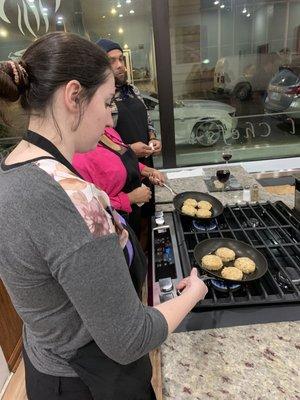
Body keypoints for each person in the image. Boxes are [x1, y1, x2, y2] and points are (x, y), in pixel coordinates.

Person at [0, 32, 208, 400]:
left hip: (45, 364)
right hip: (88, 382)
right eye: (107, 101)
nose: (110, 114)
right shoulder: (69, 197)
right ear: (74, 95)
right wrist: (194, 294)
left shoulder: (12, 169)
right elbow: (129, 339)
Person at [73, 126, 165, 237]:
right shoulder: (79, 155)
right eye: (107, 108)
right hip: (115, 223)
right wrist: (129, 198)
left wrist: (147, 171)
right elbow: (89, 207)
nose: (111, 121)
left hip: (134, 211)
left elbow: (120, 162)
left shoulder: (109, 131)